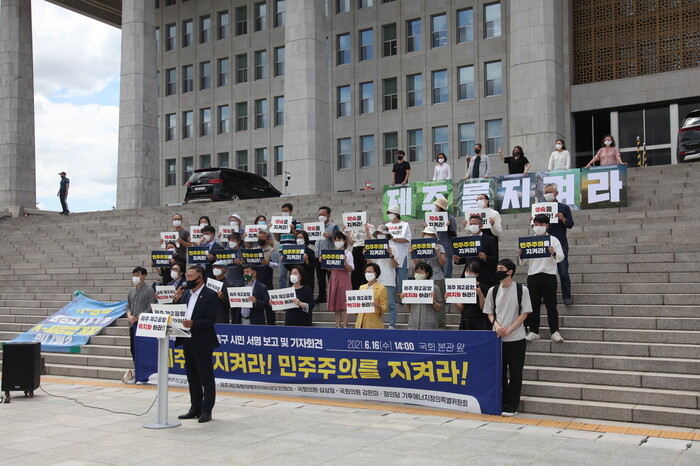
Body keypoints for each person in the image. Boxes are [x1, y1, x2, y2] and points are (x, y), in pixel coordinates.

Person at [483, 259, 533, 417]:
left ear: (510, 271)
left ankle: (513, 405)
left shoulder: (521, 289)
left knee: (516, 373)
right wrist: (497, 326)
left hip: (516, 338)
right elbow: (489, 312)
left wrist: (510, 328)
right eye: (497, 268)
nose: (498, 270)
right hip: (497, 338)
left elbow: (524, 313)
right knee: (500, 373)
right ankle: (503, 403)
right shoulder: (493, 290)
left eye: (501, 268)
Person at [173, 265, 220, 424]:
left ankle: (207, 410)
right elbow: (177, 314)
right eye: (187, 275)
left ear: (200, 278)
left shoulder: (210, 295)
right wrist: (176, 300)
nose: (188, 279)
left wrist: (193, 323)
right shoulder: (186, 294)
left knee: (205, 377)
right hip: (187, 339)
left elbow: (210, 320)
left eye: (191, 276)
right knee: (192, 376)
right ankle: (195, 407)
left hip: (203, 340)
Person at [518, 214, 565, 343]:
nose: (538, 227)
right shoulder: (529, 241)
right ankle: (534, 331)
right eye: (536, 224)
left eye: (541, 224)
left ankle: (554, 331)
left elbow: (561, 256)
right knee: (533, 305)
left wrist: (553, 253)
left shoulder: (553, 240)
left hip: (549, 275)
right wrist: (521, 255)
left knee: (551, 305)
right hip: (533, 275)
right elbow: (523, 261)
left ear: (547, 226)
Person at [543, 183, 575, 305]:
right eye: (545, 192)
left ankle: (566, 295)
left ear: (556, 193)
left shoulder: (563, 208)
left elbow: (570, 224)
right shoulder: (541, 207)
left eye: (550, 192)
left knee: (563, 271)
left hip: (560, 243)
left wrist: (562, 219)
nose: (547, 195)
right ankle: (544, 296)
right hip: (544, 243)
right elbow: (536, 226)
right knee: (544, 271)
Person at [410, 226, 447, 328]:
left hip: (437, 277)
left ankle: (440, 326)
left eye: (430, 234)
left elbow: (443, 263)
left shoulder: (439, 246)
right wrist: (414, 254)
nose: (427, 236)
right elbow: (418, 264)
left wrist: (438, 253)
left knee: (438, 302)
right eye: (426, 234)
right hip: (423, 278)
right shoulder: (420, 246)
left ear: (434, 236)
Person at [366, 225, 399, 329]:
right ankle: (374, 324)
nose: (380, 235)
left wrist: (391, 255)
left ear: (387, 235)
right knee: (374, 304)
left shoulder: (393, 247)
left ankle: (392, 325)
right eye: (378, 234)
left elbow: (396, 265)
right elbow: (371, 264)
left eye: (382, 234)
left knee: (391, 305)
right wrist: (366, 255)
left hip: (389, 280)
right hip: (376, 280)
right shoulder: (374, 247)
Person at [456, 214, 498, 291]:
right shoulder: (466, 240)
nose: (472, 226)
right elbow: (464, 258)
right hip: (468, 275)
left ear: (481, 225)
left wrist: (485, 257)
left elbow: (495, 258)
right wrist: (457, 259)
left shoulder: (489, 240)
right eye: (471, 224)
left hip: (484, 277)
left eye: (475, 224)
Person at [125, 267, 157, 368]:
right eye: (134, 275)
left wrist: (139, 317)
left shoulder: (149, 290)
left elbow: (151, 306)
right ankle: (136, 369)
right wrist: (129, 316)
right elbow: (128, 305)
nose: (135, 277)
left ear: (144, 276)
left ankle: (144, 369)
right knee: (133, 349)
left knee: (143, 349)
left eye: (137, 275)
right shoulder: (131, 290)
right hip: (132, 323)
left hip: (143, 323)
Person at [326, 231, 354, 328]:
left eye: (340, 239)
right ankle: (338, 325)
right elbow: (330, 269)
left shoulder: (348, 253)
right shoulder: (332, 253)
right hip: (334, 277)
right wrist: (324, 262)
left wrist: (345, 262)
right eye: (336, 240)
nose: (338, 241)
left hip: (343, 277)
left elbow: (351, 269)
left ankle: (345, 325)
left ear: (344, 240)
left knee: (345, 302)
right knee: (336, 304)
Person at [404, 262, 442, 330]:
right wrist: (405, 300)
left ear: (427, 274)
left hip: (428, 324)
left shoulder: (434, 288)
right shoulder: (410, 288)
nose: (417, 274)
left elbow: (439, 309)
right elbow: (409, 309)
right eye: (416, 272)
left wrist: (433, 300)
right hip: (413, 324)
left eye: (420, 271)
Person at [454, 261, 490, 330]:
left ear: (476, 274)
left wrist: (480, 295)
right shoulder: (463, 287)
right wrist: (453, 299)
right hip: (465, 320)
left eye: (470, 271)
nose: (468, 273)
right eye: (467, 271)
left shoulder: (483, 287)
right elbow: (461, 308)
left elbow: (483, 308)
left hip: (478, 321)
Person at [314, 206, 339, 303]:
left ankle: (332, 296)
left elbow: (338, 240)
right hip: (317, 255)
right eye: (319, 214)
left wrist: (329, 236)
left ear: (328, 215)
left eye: (323, 214)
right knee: (320, 278)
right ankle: (321, 296)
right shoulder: (316, 226)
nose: (321, 216)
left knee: (330, 277)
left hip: (329, 254)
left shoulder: (333, 226)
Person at [386, 205, 411, 296]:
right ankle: (392, 295)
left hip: (402, 253)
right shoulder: (387, 226)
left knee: (402, 276)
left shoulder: (405, 225)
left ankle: (403, 295)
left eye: (390, 213)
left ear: (396, 214)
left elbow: (408, 239)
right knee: (391, 276)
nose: (389, 215)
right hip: (390, 254)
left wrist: (397, 240)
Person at [355, 263, 387, 329]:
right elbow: (358, 308)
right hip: (360, 324)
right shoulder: (362, 287)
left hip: (373, 324)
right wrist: (351, 306)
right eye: (366, 272)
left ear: (375, 273)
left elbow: (385, 307)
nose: (367, 274)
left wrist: (378, 306)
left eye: (369, 272)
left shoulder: (381, 289)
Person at [276, 203, 300, 288]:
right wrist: (274, 229)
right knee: (282, 275)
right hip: (282, 250)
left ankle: (294, 291)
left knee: (293, 273)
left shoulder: (296, 222)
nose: (284, 212)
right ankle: (283, 292)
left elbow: (299, 237)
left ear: (291, 211)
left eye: (286, 210)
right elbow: (278, 239)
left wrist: (292, 228)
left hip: (292, 250)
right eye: (283, 211)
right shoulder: (279, 223)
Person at [433, 197, 457, 280]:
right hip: (436, 247)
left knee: (446, 273)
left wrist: (449, 226)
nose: (435, 207)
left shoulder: (450, 218)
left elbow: (454, 234)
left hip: (447, 248)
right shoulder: (432, 218)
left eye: (436, 205)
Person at [346, 222, 372, 290]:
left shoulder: (369, 226)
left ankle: (366, 289)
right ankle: (356, 289)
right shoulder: (354, 228)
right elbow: (351, 242)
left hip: (365, 248)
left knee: (365, 269)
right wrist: (348, 232)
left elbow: (371, 240)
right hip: (356, 249)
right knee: (355, 272)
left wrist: (367, 230)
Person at [291, 230, 316, 294]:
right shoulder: (293, 251)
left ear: (305, 239)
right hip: (295, 280)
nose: (299, 239)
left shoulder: (310, 252)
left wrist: (306, 260)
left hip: (307, 280)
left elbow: (312, 267)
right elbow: (289, 267)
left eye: (301, 237)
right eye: (297, 238)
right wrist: (284, 260)